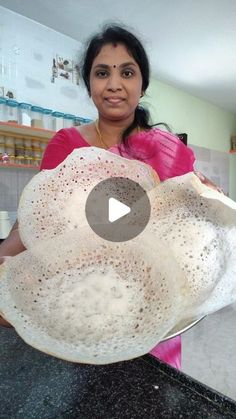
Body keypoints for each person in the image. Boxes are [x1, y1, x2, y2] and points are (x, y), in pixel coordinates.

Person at [0, 24, 221, 366]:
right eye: (102, 73)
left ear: (142, 84)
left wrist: (212, 202)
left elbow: (191, 231)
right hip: (82, 305)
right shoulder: (66, 145)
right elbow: (37, 219)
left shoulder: (168, 150)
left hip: (152, 314)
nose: (114, 84)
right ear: (89, 83)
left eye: (127, 73)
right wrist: (5, 257)